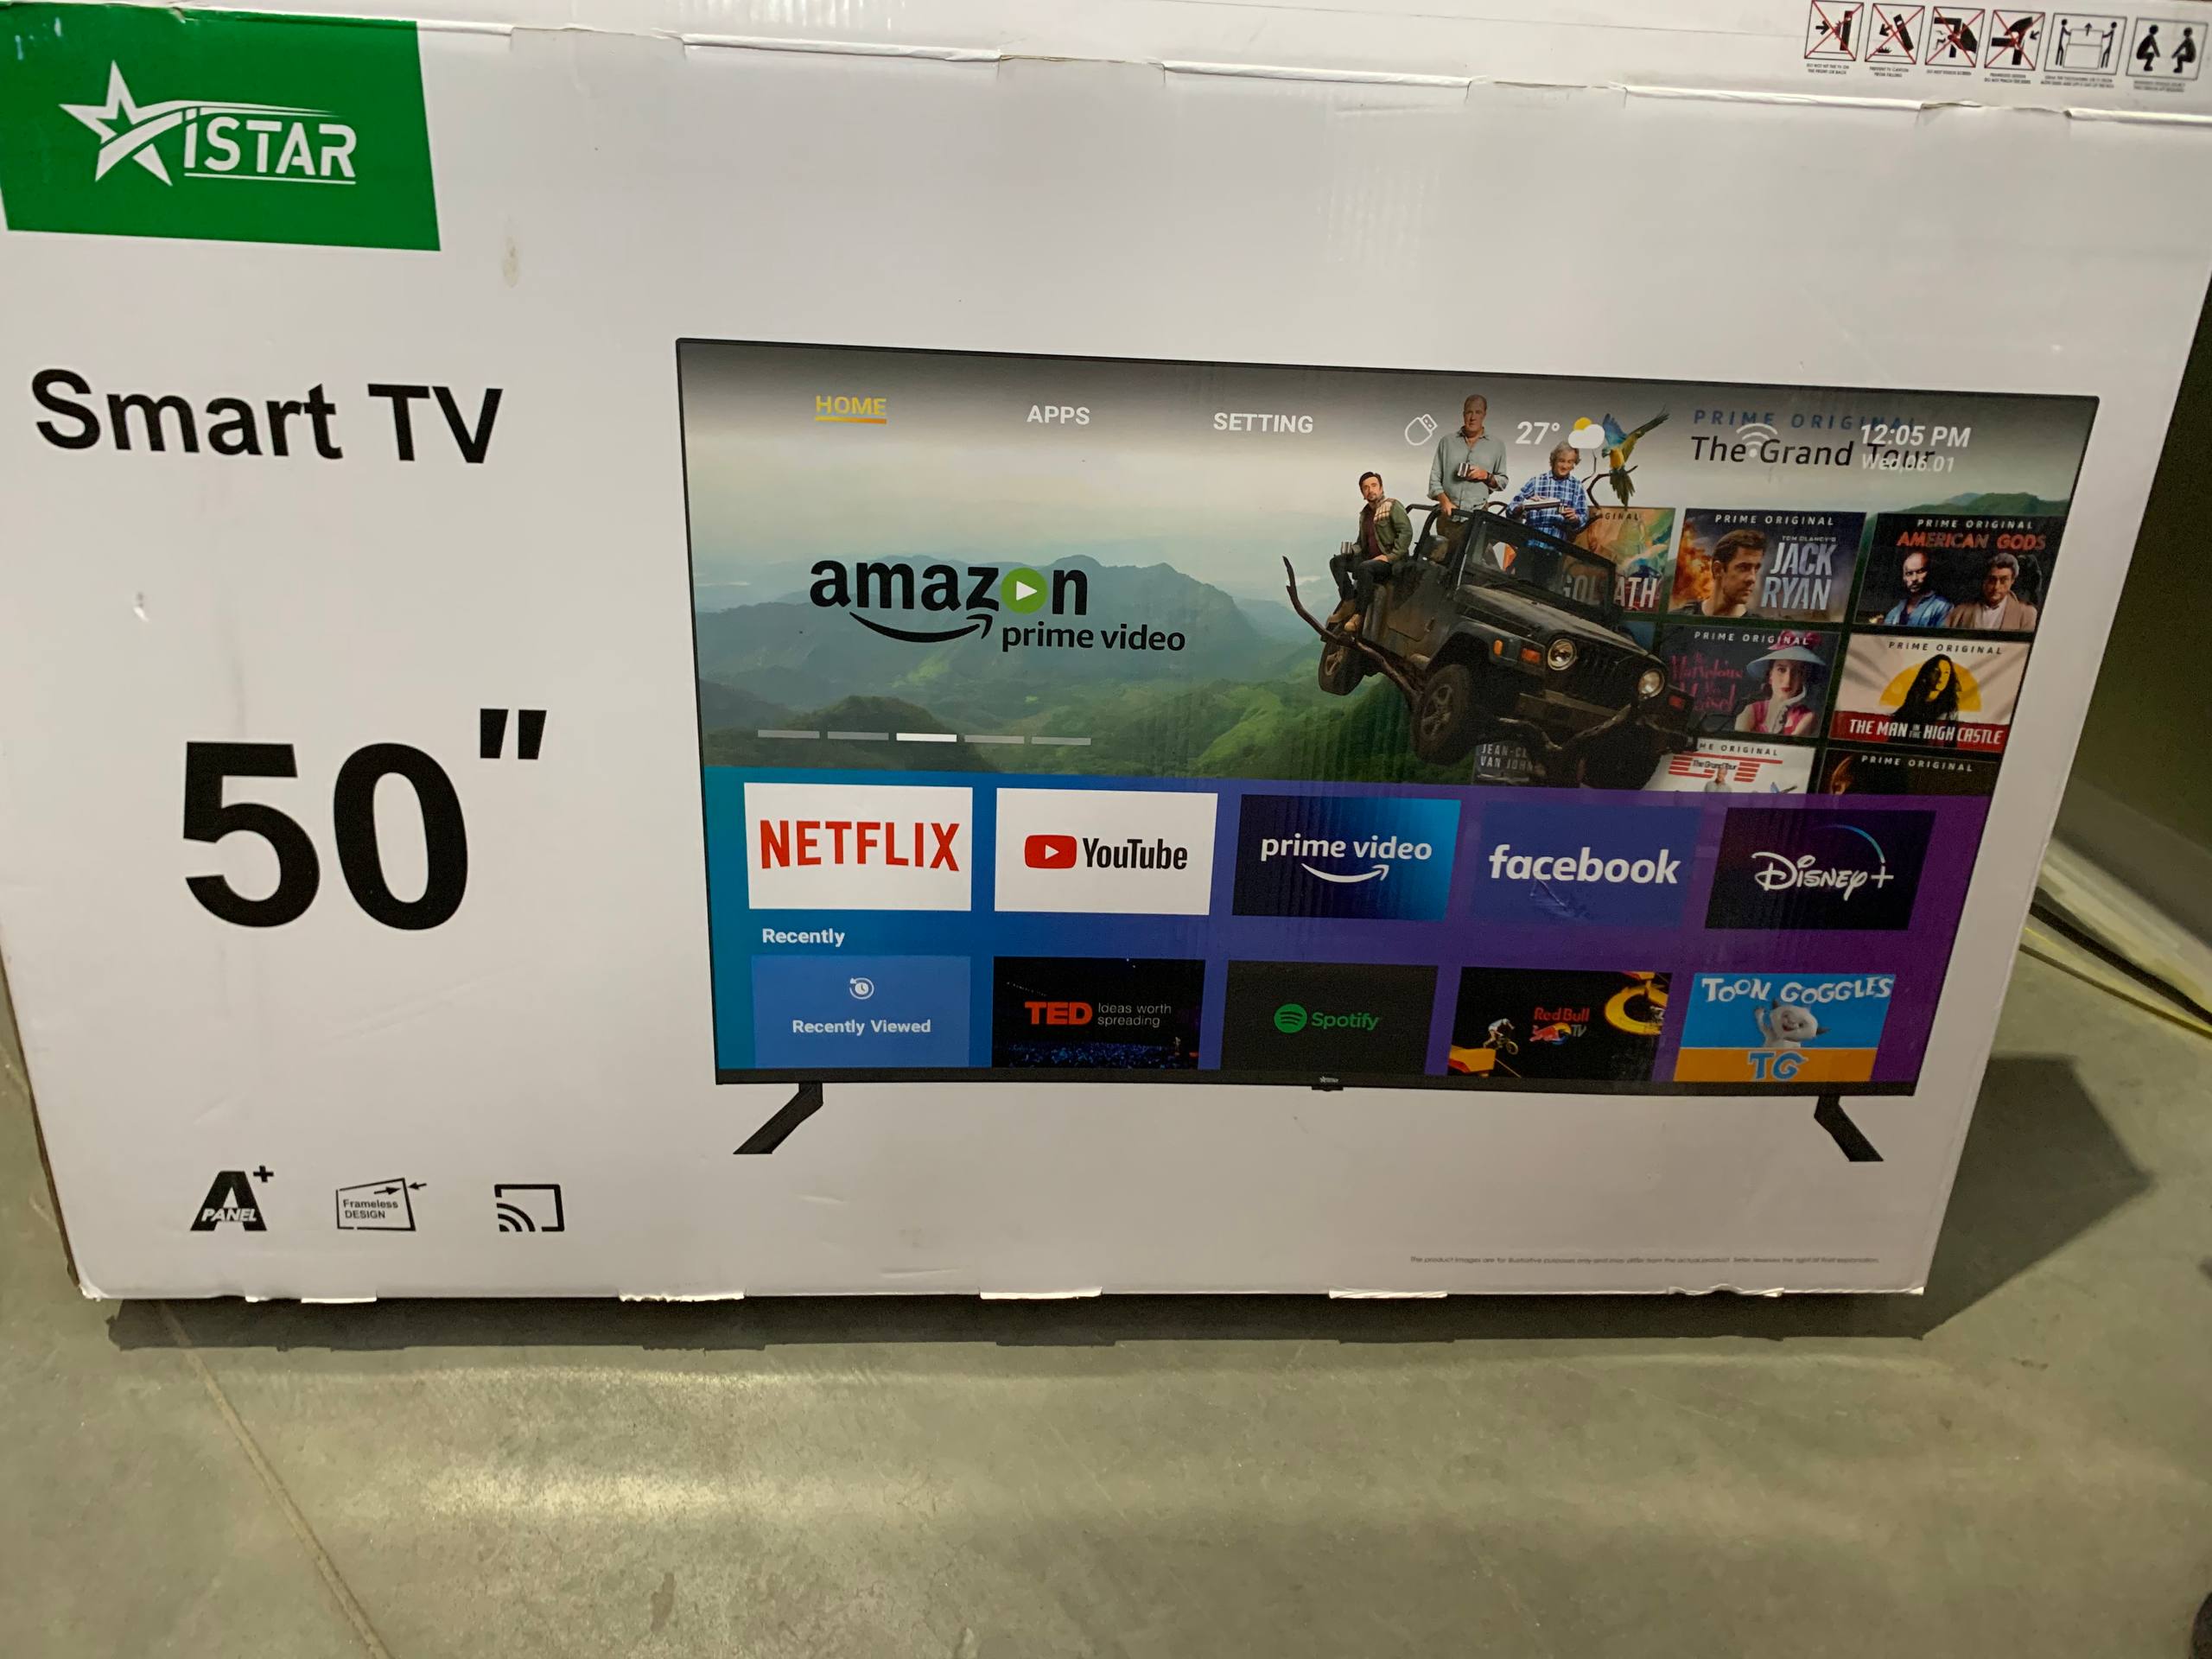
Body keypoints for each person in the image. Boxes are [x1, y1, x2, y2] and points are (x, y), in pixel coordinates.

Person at [1327, 470, 1412, 633]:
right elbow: (1362, 543)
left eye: (1374, 485)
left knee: (1365, 567)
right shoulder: (1365, 514)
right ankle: (1348, 602)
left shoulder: (1392, 506)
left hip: (1390, 562)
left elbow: (1406, 533)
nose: (1370, 490)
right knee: (1336, 562)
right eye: (1366, 488)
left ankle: (1359, 615)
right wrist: (1351, 551)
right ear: (1362, 493)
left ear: (1381, 488)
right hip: (1370, 558)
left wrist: (1390, 556)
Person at [1428, 394, 1508, 557]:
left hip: (1476, 518)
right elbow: (1434, 479)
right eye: (1469, 412)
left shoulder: (1497, 445)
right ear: (1463, 414)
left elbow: (1503, 481)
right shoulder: (1447, 442)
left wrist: (1485, 475)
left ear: (1484, 414)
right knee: (1441, 562)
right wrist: (1444, 502)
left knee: (1470, 564)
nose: (1473, 417)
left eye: (1478, 412)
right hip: (1447, 518)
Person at [1732, 642, 1825, 737]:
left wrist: (1785, 707)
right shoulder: (1751, 710)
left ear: (1803, 679)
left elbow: (1787, 746)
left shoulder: (1807, 717)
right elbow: (1738, 742)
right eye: (1781, 670)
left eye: (1798, 672)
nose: (1788, 680)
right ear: (1770, 675)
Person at [1506, 442, 1592, 542]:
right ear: (1554, 460)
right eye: (1561, 461)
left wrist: (1575, 518)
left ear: (1574, 464)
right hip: (1531, 540)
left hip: (1558, 543)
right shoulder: (1536, 481)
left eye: (1570, 462)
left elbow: (1583, 518)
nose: (1565, 466)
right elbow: (1510, 510)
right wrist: (1525, 505)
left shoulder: (1577, 486)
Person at [1675, 527, 1765, 618]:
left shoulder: (1758, 626)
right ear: (1717, 570)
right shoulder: (1679, 620)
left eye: (1756, 569)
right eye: (1743, 568)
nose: (1752, 578)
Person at [1943, 550, 2038, 632]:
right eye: (1992, 580)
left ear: (2012, 581)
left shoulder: (2026, 614)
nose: (1996, 587)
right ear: (1984, 580)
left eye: (2003, 580)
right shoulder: (1960, 612)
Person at [1878, 548, 1952, 627]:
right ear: (1903, 577)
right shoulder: (1896, 611)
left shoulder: (1942, 606)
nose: (1914, 578)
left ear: (1929, 571)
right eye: (1909, 573)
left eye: (1920, 572)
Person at [1895, 653, 1963, 738]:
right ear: (1927, 673)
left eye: (1946, 672)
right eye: (1936, 671)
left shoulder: (1950, 709)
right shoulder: (1911, 703)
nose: (1941, 677)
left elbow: (1951, 741)